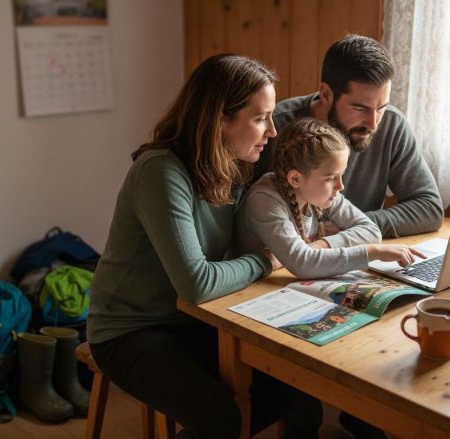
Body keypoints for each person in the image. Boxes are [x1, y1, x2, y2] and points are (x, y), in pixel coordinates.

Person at [87, 54, 322, 439]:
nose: (273, 131)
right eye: (261, 118)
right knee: (219, 420)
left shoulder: (232, 166)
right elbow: (196, 283)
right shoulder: (160, 171)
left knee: (291, 379)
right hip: (128, 330)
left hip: (191, 317)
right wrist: (264, 261)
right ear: (220, 119)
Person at [255, 34, 445, 240]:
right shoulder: (275, 128)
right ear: (326, 94)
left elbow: (429, 208)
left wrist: (357, 226)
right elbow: (247, 214)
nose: (373, 124)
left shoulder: (392, 125)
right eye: (360, 108)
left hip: (358, 254)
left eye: (381, 107)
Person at [236, 117, 424, 278]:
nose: (340, 186)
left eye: (341, 175)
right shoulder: (265, 200)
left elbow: (370, 231)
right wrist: (372, 252)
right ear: (295, 178)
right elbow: (304, 264)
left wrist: (320, 245)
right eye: (331, 178)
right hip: (244, 295)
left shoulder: (319, 192)